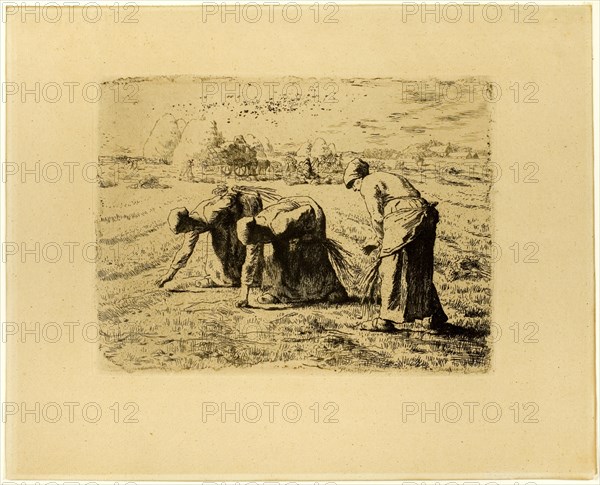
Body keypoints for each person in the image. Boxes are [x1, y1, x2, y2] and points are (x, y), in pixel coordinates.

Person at [344, 158, 447, 331]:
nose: (354, 189)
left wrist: (381, 241)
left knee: (390, 266)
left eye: (353, 184)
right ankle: (434, 315)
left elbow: (377, 217)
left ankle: (386, 319)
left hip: (402, 216)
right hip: (425, 213)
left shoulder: (368, 183)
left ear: (359, 178)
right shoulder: (387, 177)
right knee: (418, 267)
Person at [235, 196, 348, 307]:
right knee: (273, 256)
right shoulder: (254, 236)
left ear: (258, 231)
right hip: (291, 221)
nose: (256, 243)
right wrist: (243, 297)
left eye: (256, 240)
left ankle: (331, 290)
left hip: (311, 216)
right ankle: (278, 293)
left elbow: (307, 209)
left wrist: (307, 235)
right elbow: (249, 264)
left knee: (310, 254)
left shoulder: (280, 224)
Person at [157, 185, 264, 289]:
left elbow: (228, 200)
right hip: (223, 222)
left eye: (183, 230)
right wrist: (169, 275)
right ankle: (225, 279)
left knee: (242, 244)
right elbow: (185, 251)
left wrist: (230, 192)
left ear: (186, 222)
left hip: (243, 209)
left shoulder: (208, 214)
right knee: (219, 248)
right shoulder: (193, 228)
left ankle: (252, 279)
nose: (185, 232)